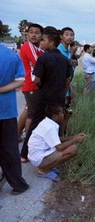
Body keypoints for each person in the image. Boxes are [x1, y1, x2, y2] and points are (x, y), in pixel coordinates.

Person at [21, 27, 72, 161]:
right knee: (57, 125)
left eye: (43, 39)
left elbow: (37, 79)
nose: (41, 42)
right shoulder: (65, 60)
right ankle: (55, 155)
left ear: (51, 42)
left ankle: (24, 155)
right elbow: (68, 81)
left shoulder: (43, 59)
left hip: (43, 96)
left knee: (35, 124)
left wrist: (42, 87)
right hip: (58, 98)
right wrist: (61, 91)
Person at [0, 41, 30, 195]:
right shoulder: (10, 55)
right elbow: (21, 80)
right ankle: (18, 184)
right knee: (10, 149)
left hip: (6, 111)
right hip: (6, 110)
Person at [28, 104, 86, 182]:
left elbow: (57, 139)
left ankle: (46, 166)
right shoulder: (50, 127)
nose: (63, 115)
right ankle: (44, 169)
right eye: (61, 113)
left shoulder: (47, 122)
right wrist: (75, 140)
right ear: (55, 116)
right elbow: (59, 147)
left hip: (36, 156)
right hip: (39, 158)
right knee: (73, 149)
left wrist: (74, 136)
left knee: (69, 147)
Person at [19, 23, 44, 156]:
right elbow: (39, 63)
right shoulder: (28, 46)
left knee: (29, 111)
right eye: (31, 32)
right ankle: (29, 143)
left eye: (37, 32)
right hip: (31, 85)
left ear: (41, 35)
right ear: (27, 34)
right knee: (33, 115)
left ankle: (19, 136)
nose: (34, 35)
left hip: (33, 85)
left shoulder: (37, 47)